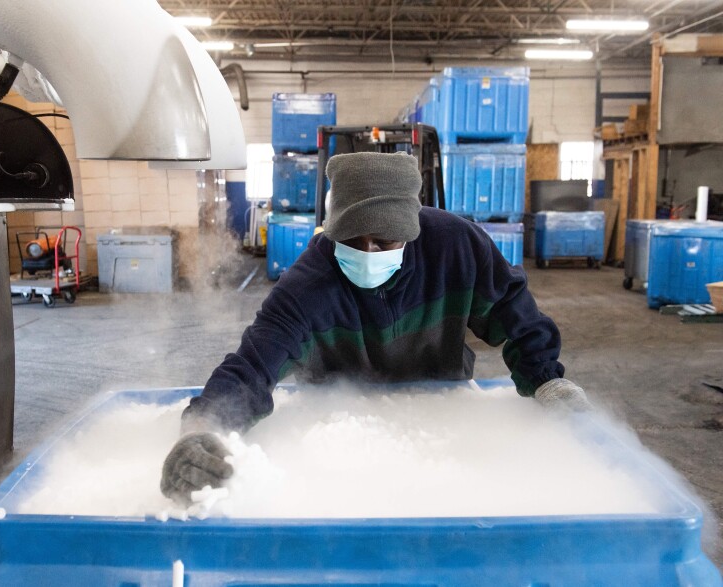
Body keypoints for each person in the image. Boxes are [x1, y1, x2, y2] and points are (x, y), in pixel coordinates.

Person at [161, 151, 590, 504]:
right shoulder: (309, 284)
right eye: (351, 240)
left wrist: (545, 380)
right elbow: (252, 366)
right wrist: (203, 429)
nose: (367, 252)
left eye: (383, 241)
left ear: (411, 228)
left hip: (444, 413)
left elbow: (513, 309)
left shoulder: (456, 246)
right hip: (340, 432)